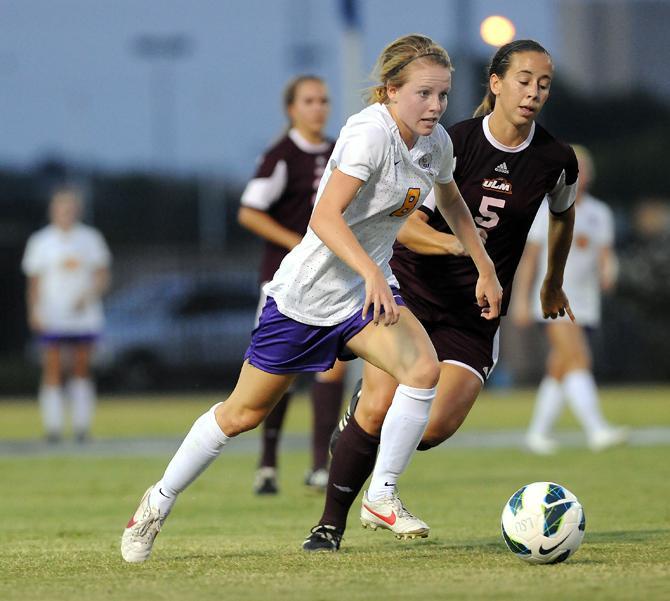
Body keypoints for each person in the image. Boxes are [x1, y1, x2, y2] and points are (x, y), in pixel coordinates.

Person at [121, 33, 501, 564]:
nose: (436, 106)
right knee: (243, 413)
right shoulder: (368, 135)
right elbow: (322, 219)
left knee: (422, 369)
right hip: (306, 296)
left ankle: (382, 494)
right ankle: (157, 501)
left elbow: (452, 199)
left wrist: (483, 265)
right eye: (424, 94)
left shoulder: (435, 143)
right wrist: (370, 271)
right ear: (391, 91)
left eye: (443, 94)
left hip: (362, 293)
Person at [302, 39, 577, 552]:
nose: (533, 92)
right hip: (414, 293)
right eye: (523, 80)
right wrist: (468, 254)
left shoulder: (555, 159)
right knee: (379, 408)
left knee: (432, 428)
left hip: (475, 313)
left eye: (543, 84)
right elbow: (405, 229)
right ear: (495, 83)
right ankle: (329, 527)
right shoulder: (452, 143)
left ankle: (367, 445)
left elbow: (563, 214)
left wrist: (552, 281)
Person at [238, 75, 346, 494]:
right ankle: (267, 464)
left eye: (323, 100)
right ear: (292, 109)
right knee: (278, 373)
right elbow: (250, 211)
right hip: (283, 279)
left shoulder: (341, 150)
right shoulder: (281, 155)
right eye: (309, 100)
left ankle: (320, 465)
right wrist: (298, 242)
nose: (318, 107)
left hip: (333, 279)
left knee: (331, 368)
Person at [514, 145, 628, 453]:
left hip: (586, 302)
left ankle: (537, 433)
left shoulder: (600, 213)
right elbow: (530, 260)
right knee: (578, 359)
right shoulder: (547, 209)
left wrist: (609, 274)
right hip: (553, 299)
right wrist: (522, 301)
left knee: (560, 366)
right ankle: (597, 430)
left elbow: (606, 256)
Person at [22, 186, 112, 443]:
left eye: (70, 209)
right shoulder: (40, 241)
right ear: (53, 210)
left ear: (77, 211)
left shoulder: (90, 238)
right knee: (52, 369)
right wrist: (34, 310)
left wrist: (89, 294)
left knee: (81, 369)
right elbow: (34, 282)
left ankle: (82, 429)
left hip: (84, 316)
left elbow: (102, 275)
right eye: (61, 208)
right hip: (53, 315)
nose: (66, 213)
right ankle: (53, 428)